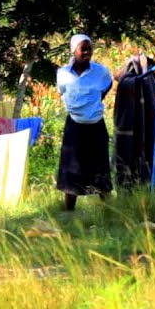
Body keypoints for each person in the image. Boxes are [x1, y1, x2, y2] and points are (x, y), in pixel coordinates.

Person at [56, 34, 114, 211]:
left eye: (89, 48)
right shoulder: (63, 73)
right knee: (71, 167)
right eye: (83, 48)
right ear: (74, 51)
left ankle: (109, 210)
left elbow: (107, 85)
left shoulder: (100, 72)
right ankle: (69, 211)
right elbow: (62, 92)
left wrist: (93, 103)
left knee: (100, 166)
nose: (87, 52)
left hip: (96, 124)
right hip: (74, 125)